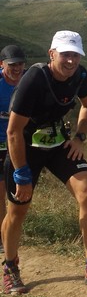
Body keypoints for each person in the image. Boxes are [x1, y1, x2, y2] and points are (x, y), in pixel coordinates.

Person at [2, 31, 87, 294]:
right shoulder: (34, 79)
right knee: (18, 210)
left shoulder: (80, 76)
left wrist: (79, 137)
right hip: (25, 147)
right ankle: (10, 266)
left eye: (76, 55)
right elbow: (13, 132)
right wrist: (22, 174)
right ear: (51, 54)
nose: (71, 61)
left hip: (57, 142)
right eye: (65, 54)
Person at [0, 45, 26, 254]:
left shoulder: (28, 81)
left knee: (17, 191)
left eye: (20, 64)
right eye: (12, 65)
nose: (17, 68)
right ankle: (3, 239)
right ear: (2, 64)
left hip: (19, 143)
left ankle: (8, 232)